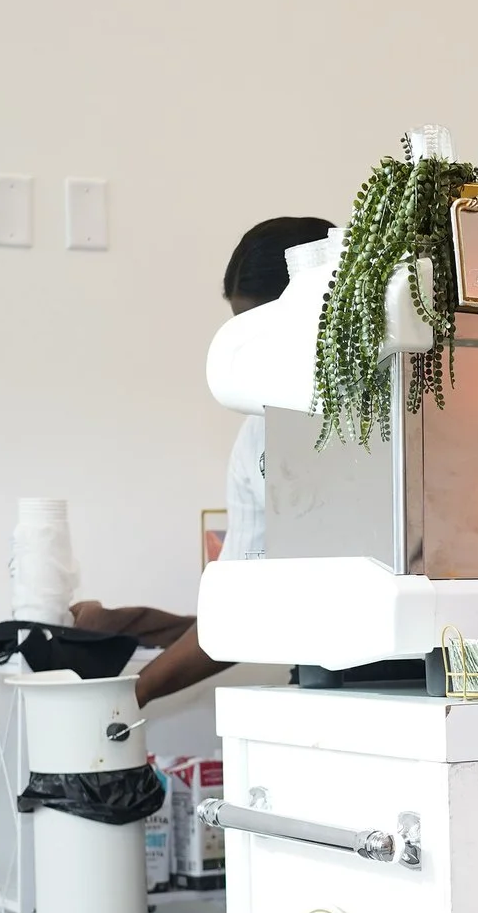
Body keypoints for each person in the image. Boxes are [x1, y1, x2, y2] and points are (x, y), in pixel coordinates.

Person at [95, 216, 333, 704]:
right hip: (326, 680)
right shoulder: (256, 437)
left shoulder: (413, 398)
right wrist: (130, 662)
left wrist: (127, 697)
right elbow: (244, 609)